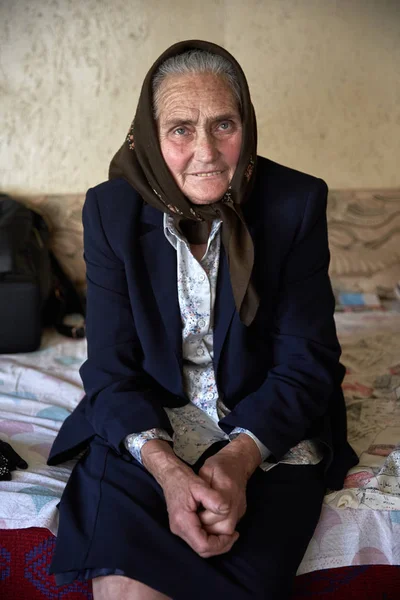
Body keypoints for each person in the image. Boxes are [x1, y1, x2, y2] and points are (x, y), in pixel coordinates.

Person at [47, 40, 358, 600]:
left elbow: (306, 362)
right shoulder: (110, 211)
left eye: (224, 124)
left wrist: (238, 460)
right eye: (181, 129)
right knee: (123, 575)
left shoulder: (295, 203)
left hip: (268, 426)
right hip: (152, 420)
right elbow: (112, 371)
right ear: (149, 133)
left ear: (248, 125)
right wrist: (167, 470)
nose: (207, 151)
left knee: (239, 557)